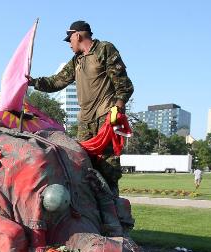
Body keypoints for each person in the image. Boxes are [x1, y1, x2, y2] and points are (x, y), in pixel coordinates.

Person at [27, 20, 134, 193]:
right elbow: (57, 81)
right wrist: (33, 82)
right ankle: (90, 209)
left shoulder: (104, 49)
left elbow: (124, 85)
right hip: (85, 121)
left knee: (108, 168)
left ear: (77, 35)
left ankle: (114, 210)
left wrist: (118, 107)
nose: (69, 44)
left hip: (105, 116)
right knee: (82, 165)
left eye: (69, 39)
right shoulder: (76, 60)